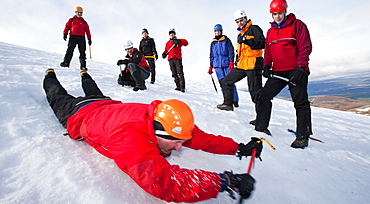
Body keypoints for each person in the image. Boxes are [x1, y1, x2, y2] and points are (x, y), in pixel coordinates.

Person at [43, 68, 263, 203]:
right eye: (176, 142)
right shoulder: (130, 139)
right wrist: (225, 181)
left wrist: (239, 148)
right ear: (158, 131)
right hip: (79, 113)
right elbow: (165, 183)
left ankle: (81, 75)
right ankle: (51, 75)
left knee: (92, 92)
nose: (179, 148)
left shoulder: (164, 118)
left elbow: (200, 138)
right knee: (57, 95)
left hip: (106, 105)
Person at [254, 0, 313, 149]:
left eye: (280, 13)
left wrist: (301, 68)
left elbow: (305, 47)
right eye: (274, 14)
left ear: (285, 11)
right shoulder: (271, 32)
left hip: (296, 71)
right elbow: (268, 51)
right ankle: (261, 127)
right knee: (264, 96)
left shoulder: (297, 25)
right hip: (279, 71)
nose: (277, 16)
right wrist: (267, 65)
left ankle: (302, 136)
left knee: (300, 103)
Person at [217, 10, 265, 115]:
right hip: (242, 64)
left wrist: (248, 40)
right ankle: (228, 104)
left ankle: (260, 119)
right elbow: (240, 51)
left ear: (246, 19)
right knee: (226, 81)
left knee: (255, 93)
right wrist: (236, 61)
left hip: (253, 64)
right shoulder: (240, 35)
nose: (240, 23)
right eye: (237, 21)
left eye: (241, 20)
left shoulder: (254, 29)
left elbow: (262, 43)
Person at [208, 24, 239, 107]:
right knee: (222, 83)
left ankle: (235, 100)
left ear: (221, 31)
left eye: (218, 31)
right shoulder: (213, 43)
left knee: (230, 82)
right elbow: (211, 55)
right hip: (217, 65)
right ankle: (226, 100)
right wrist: (211, 66)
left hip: (226, 64)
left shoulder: (226, 40)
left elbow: (231, 51)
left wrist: (231, 62)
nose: (217, 33)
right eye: (216, 31)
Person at [60, 6, 92, 70]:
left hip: (81, 38)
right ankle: (66, 62)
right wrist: (65, 33)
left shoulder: (84, 22)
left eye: (81, 12)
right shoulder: (72, 20)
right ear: (76, 12)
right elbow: (67, 27)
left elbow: (87, 31)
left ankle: (83, 66)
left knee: (82, 52)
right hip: (73, 36)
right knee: (70, 49)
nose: (79, 13)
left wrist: (89, 38)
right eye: (78, 12)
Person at [162, 28, 188, 92]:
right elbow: (166, 50)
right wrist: (164, 53)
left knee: (180, 73)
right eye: (170, 33)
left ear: (174, 34)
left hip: (177, 58)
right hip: (171, 59)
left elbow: (186, 43)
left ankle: (182, 87)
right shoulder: (168, 43)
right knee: (174, 73)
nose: (171, 34)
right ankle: (178, 86)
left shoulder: (178, 41)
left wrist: (180, 41)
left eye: (172, 33)